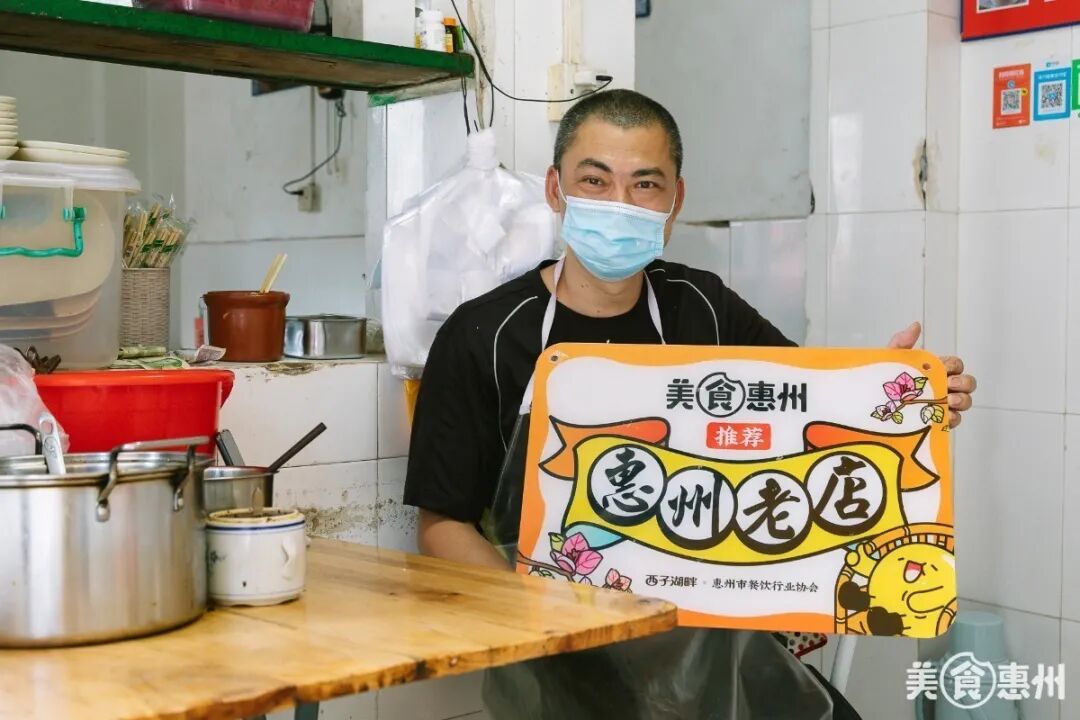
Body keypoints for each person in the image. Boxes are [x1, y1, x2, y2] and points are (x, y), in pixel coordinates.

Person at [403, 89, 977, 719]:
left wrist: (892, 403)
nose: (620, 203)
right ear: (555, 189)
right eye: (595, 180)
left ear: (675, 201)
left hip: (719, 655)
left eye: (645, 184)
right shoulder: (483, 335)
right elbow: (442, 524)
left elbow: (808, 413)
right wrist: (542, 620)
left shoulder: (703, 307)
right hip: (564, 669)